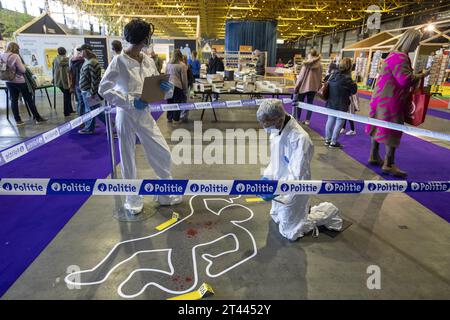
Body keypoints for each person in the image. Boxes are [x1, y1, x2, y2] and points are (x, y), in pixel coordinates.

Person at [99, 18, 181, 214]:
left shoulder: (148, 60)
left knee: (162, 152)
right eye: (147, 37)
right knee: (127, 158)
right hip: (126, 114)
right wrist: (128, 101)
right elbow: (104, 88)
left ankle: (165, 193)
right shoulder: (119, 61)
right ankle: (132, 199)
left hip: (144, 112)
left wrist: (166, 89)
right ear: (143, 38)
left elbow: (156, 86)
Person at [257, 99, 341, 241]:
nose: (266, 128)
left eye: (268, 125)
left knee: (290, 232)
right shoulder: (277, 129)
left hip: (293, 187)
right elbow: (275, 159)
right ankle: (296, 213)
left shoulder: (300, 139)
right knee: (276, 216)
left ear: (278, 119)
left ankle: (327, 212)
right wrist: (267, 177)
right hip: (278, 181)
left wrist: (277, 188)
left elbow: (298, 175)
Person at [366, 29, 429, 178]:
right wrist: (422, 75)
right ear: (410, 42)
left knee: (377, 126)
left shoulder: (393, 55)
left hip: (380, 97)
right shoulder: (400, 57)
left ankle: (374, 155)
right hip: (391, 100)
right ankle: (389, 163)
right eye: (416, 42)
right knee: (393, 129)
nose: (418, 44)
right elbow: (404, 80)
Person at [0, 42, 47, 126]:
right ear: (15, 48)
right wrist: (24, 66)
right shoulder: (15, 56)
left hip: (8, 81)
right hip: (19, 81)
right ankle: (38, 118)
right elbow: (23, 70)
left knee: (13, 100)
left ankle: (18, 121)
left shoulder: (2, 55)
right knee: (29, 100)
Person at [324, 58, 357, 149]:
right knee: (339, 122)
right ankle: (333, 142)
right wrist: (354, 82)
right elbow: (354, 91)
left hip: (331, 102)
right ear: (349, 67)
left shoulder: (333, 74)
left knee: (330, 120)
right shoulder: (348, 79)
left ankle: (327, 140)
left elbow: (325, 81)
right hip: (342, 104)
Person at [77, 44, 106, 134]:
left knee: (93, 111)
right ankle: (110, 124)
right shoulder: (88, 61)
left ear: (86, 51)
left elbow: (95, 80)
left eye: (81, 50)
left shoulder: (92, 62)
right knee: (95, 110)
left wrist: (93, 93)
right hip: (86, 91)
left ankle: (89, 129)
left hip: (89, 92)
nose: (80, 52)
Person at [293, 49, 323, 126]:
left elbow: (301, 77)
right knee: (310, 104)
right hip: (314, 88)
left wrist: (296, 87)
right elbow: (320, 77)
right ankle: (307, 120)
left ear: (309, 54)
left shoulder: (306, 64)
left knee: (299, 103)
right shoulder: (320, 65)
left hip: (303, 87)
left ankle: (297, 119)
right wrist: (319, 87)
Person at [165, 49, 188, 123]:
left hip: (168, 85)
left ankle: (169, 118)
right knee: (177, 103)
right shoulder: (182, 65)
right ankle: (176, 118)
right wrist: (185, 89)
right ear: (180, 56)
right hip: (177, 86)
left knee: (169, 102)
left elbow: (165, 76)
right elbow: (184, 79)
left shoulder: (168, 64)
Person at [53, 47, 74, 117]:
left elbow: (53, 70)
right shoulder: (66, 60)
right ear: (65, 52)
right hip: (63, 81)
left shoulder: (55, 59)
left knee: (67, 95)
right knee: (67, 95)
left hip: (59, 81)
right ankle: (66, 112)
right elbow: (62, 64)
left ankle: (70, 110)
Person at [70, 49, 86, 117]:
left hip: (76, 84)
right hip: (83, 85)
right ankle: (88, 121)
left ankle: (81, 121)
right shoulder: (83, 62)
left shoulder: (72, 62)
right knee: (86, 104)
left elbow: (71, 75)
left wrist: (72, 86)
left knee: (80, 103)